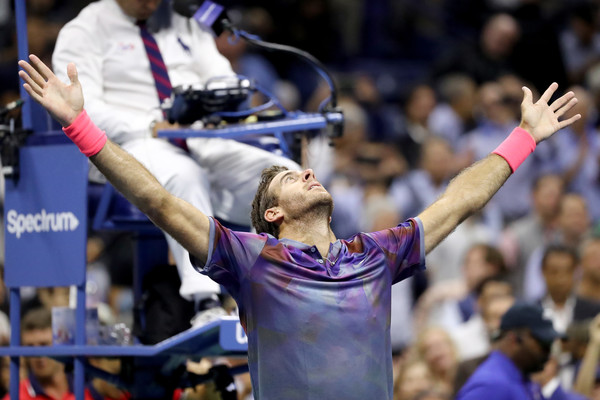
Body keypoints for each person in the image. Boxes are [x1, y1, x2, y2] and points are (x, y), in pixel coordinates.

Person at [18, 54, 580, 399]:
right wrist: (81, 127)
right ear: (271, 214)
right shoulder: (251, 259)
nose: (308, 172)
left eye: (306, 170)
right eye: (291, 178)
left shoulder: (376, 254)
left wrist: (523, 137)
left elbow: (458, 202)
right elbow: (160, 202)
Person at [51, 0, 300, 324]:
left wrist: (212, 100)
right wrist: (150, 125)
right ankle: (206, 301)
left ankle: (286, 285)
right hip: (128, 144)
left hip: (196, 136)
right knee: (184, 175)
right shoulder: (85, 29)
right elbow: (81, 108)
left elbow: (221, 76)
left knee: (284, 178)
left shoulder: (182, 21)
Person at [455, 302, 578, 400]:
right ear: (513, 340)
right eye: (542, 343)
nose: (547, 352)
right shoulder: (493, 385)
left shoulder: (520, 378)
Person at [3, 307, 94, 400]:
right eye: (30, 347)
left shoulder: (89, 388)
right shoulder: (16, 396)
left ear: (62, 345)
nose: (37, 355)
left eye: (44, 345)